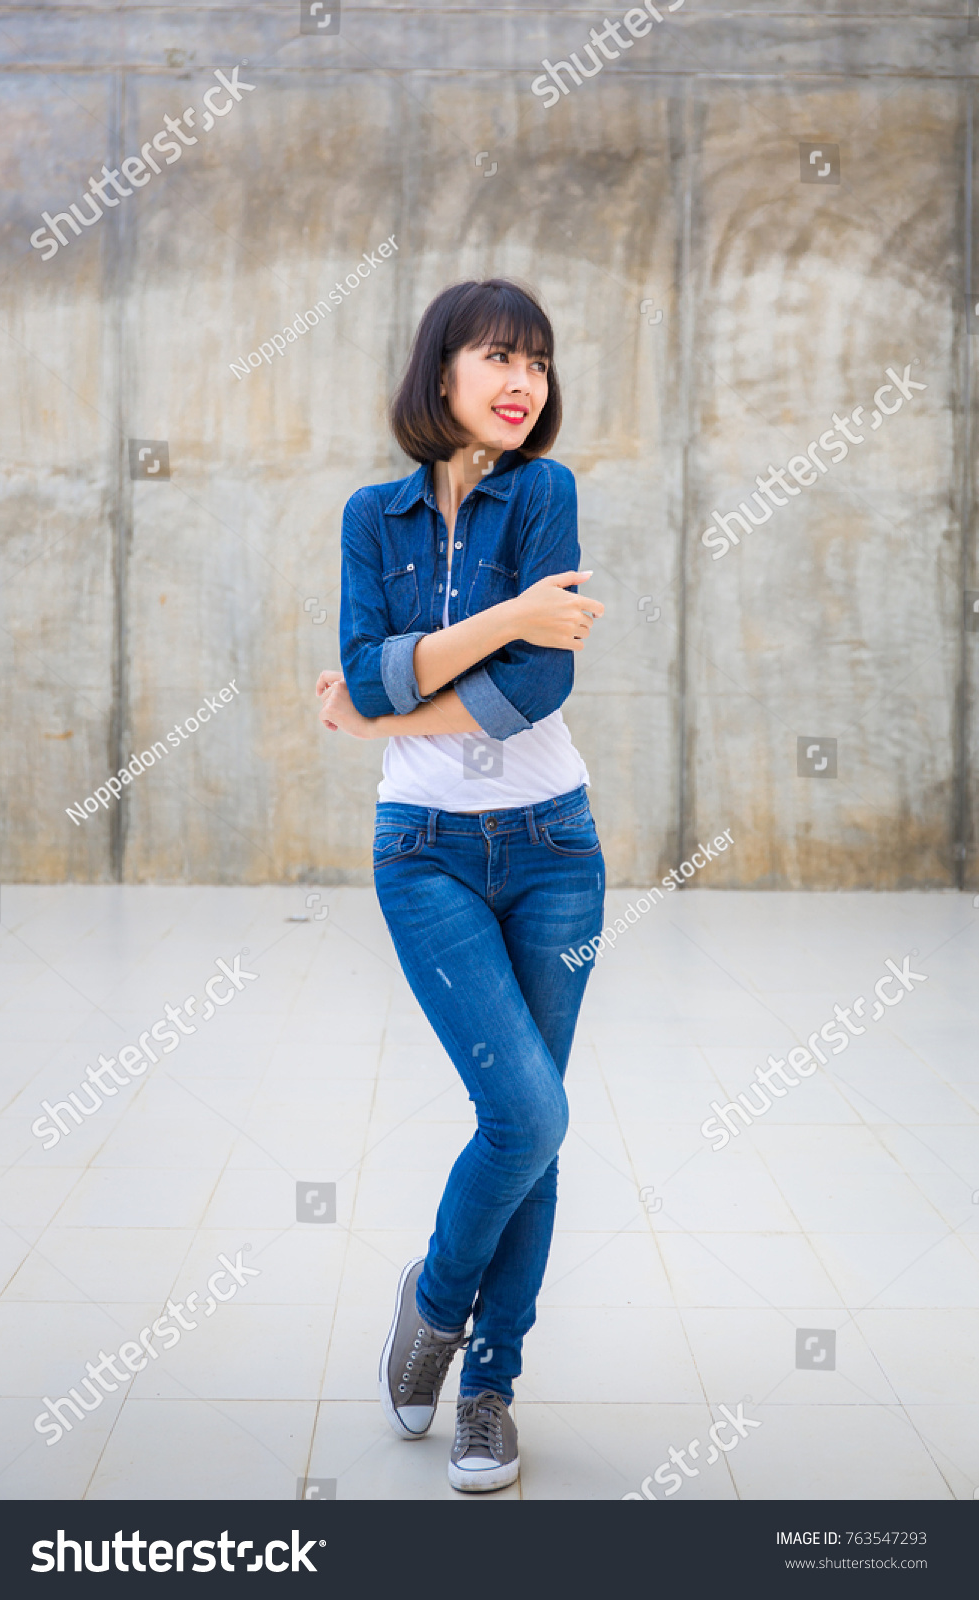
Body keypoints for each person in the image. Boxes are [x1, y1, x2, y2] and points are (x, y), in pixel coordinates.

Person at [316, 277, 605, 1493]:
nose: (520, 380)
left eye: (535, 362)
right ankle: (437, 1311)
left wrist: (385, 712)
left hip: (554, 849)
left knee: (527, 1121)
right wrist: (507, 621)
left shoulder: (545, 493)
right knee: (527, 1116)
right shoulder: (370, 518)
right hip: (423, 851)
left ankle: (483, 1379)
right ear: (441, 373)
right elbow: (356, 664)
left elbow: (539, 689)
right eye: (496, 355)